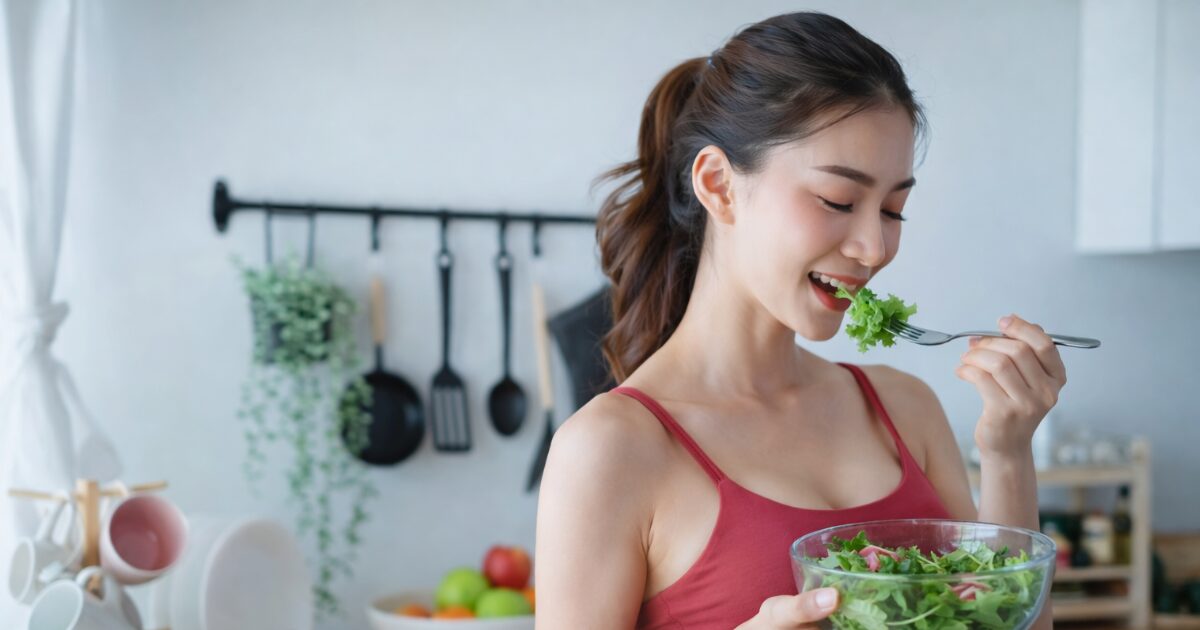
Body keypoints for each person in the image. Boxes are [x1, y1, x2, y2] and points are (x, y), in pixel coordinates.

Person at [535, 11, 1064, 629]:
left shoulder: (906, 409)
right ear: (720, 185)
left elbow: (1001, 623)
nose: (874, 248)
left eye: (894, 210)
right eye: (837, 200)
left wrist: (1007, 454)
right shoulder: (611, 450)